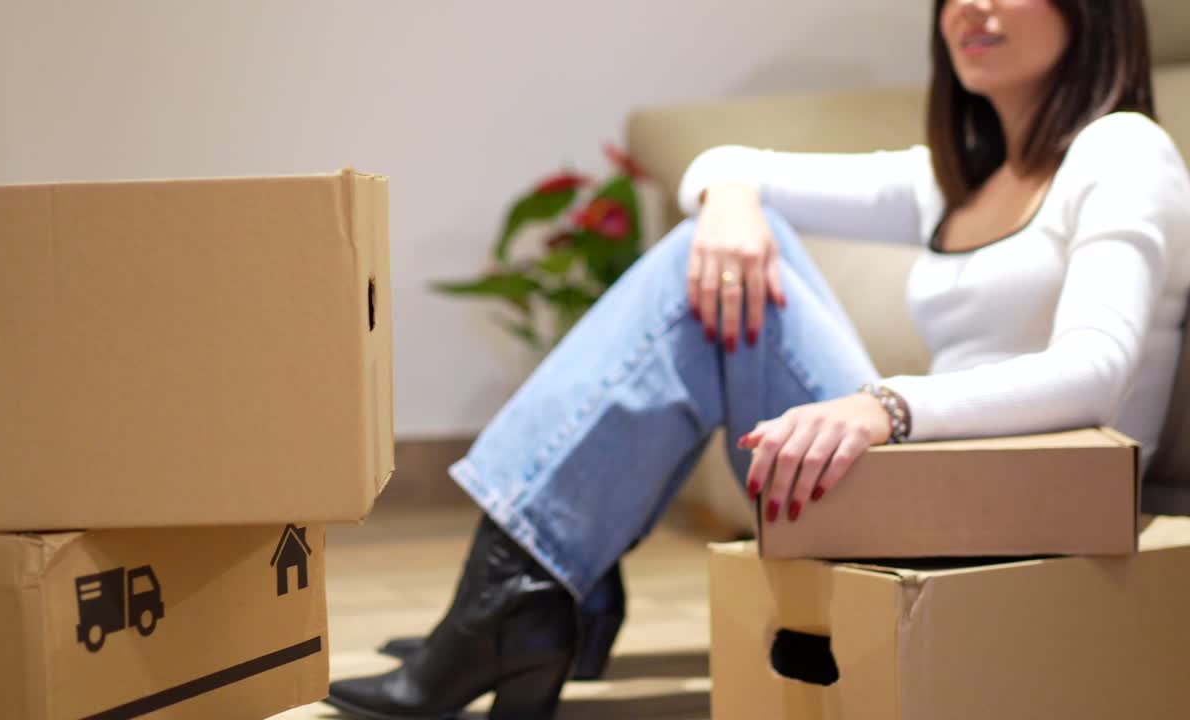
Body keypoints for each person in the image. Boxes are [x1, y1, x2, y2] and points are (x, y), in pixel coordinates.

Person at [327, 0, 1190, 717]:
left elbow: (1094, 373)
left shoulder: (1122, 151)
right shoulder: (957, 180)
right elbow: (721, 165)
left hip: (1039, 499)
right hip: (944, 474)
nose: (974, 5)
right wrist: (732, 204)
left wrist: (886, 406)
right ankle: (533, 589)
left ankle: (524, 596)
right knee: (729, 244)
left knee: (695, 279)